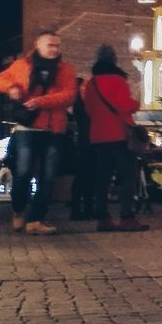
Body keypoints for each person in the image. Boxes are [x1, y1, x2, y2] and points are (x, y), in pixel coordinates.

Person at [0, 30, 77, 235]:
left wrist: (40, 101)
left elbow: (69, 96)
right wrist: (11, 87)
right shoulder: (23, 65)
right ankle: (19, 210)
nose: (54, 49)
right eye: (50, 45)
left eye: (57, 45)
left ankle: (36, 219)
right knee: (22, 172)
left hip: (54, 128)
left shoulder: (65, 69)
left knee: (48, 177)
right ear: (37, 44)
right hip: (27, 128)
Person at [83, 44, 149, 232]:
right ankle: (126, 216)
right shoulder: (118, 80)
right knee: (128, 176)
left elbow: (89, 110)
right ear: (114, 60)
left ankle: (103, 217)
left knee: (102, 177)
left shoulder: (91, 83)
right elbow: (126, 105)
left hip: (98, 136)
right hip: (119, 135)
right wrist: (136, 103)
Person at [69, 77, 94, 220]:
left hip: (87, 141)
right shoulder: (80, 103)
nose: (85, 88)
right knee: (84, 176)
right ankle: (80, 208)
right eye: (83, 86)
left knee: (87, 176)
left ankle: (83, 207)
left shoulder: (80, 102)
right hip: (86, 141)